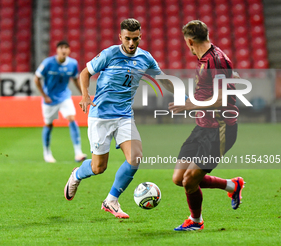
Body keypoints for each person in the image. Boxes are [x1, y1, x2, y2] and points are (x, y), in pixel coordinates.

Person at [64, 18, 174, 218]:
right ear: (120, 37)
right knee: (99, 168)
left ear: (140, 36)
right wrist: (85, 96)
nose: (131, 44)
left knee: (135, 157)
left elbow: (163, 79)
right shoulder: (109, 54)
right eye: (127, 39)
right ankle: (77, 174)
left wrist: (185, 97)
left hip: (124, 116)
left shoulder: (146, 58)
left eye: (135, 39)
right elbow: (85, 73)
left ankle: (111, 200)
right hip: (101, 116)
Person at [168, 20, 245, 231]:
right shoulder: (206, 59)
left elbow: (220, 100)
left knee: (190, 181)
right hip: (202, 127)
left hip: (220, 130)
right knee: (179, 178)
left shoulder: (216, 60)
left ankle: (196, 221)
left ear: (190, 41)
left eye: (187, 43)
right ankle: (232, 185)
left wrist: (188, 105)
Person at [34, 40, 87, 163]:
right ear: (57, 50)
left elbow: (75, 80)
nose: (64, 50)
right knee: (49, 124)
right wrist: (44, 95)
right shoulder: (48, 63)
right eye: (61, 48)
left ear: (69, 50)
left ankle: (78, 152)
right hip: (50, 98)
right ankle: (47, 152)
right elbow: (36, 78)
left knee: (72, 118)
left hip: (64, 96)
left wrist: (84, 94)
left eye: (66, 48)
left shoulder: (73, 64)